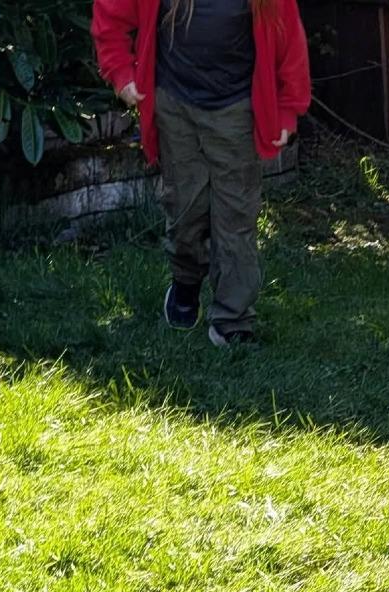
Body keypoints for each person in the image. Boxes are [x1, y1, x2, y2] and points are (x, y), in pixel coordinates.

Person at [91, 0, 311, 347]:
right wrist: (120, 70)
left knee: (236, 213)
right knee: (186, 210)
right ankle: (186, 278)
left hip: (237, 109)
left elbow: (289, 39)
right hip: (175, 105)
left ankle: (232, 321)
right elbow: (110, 14)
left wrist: (287, 110)